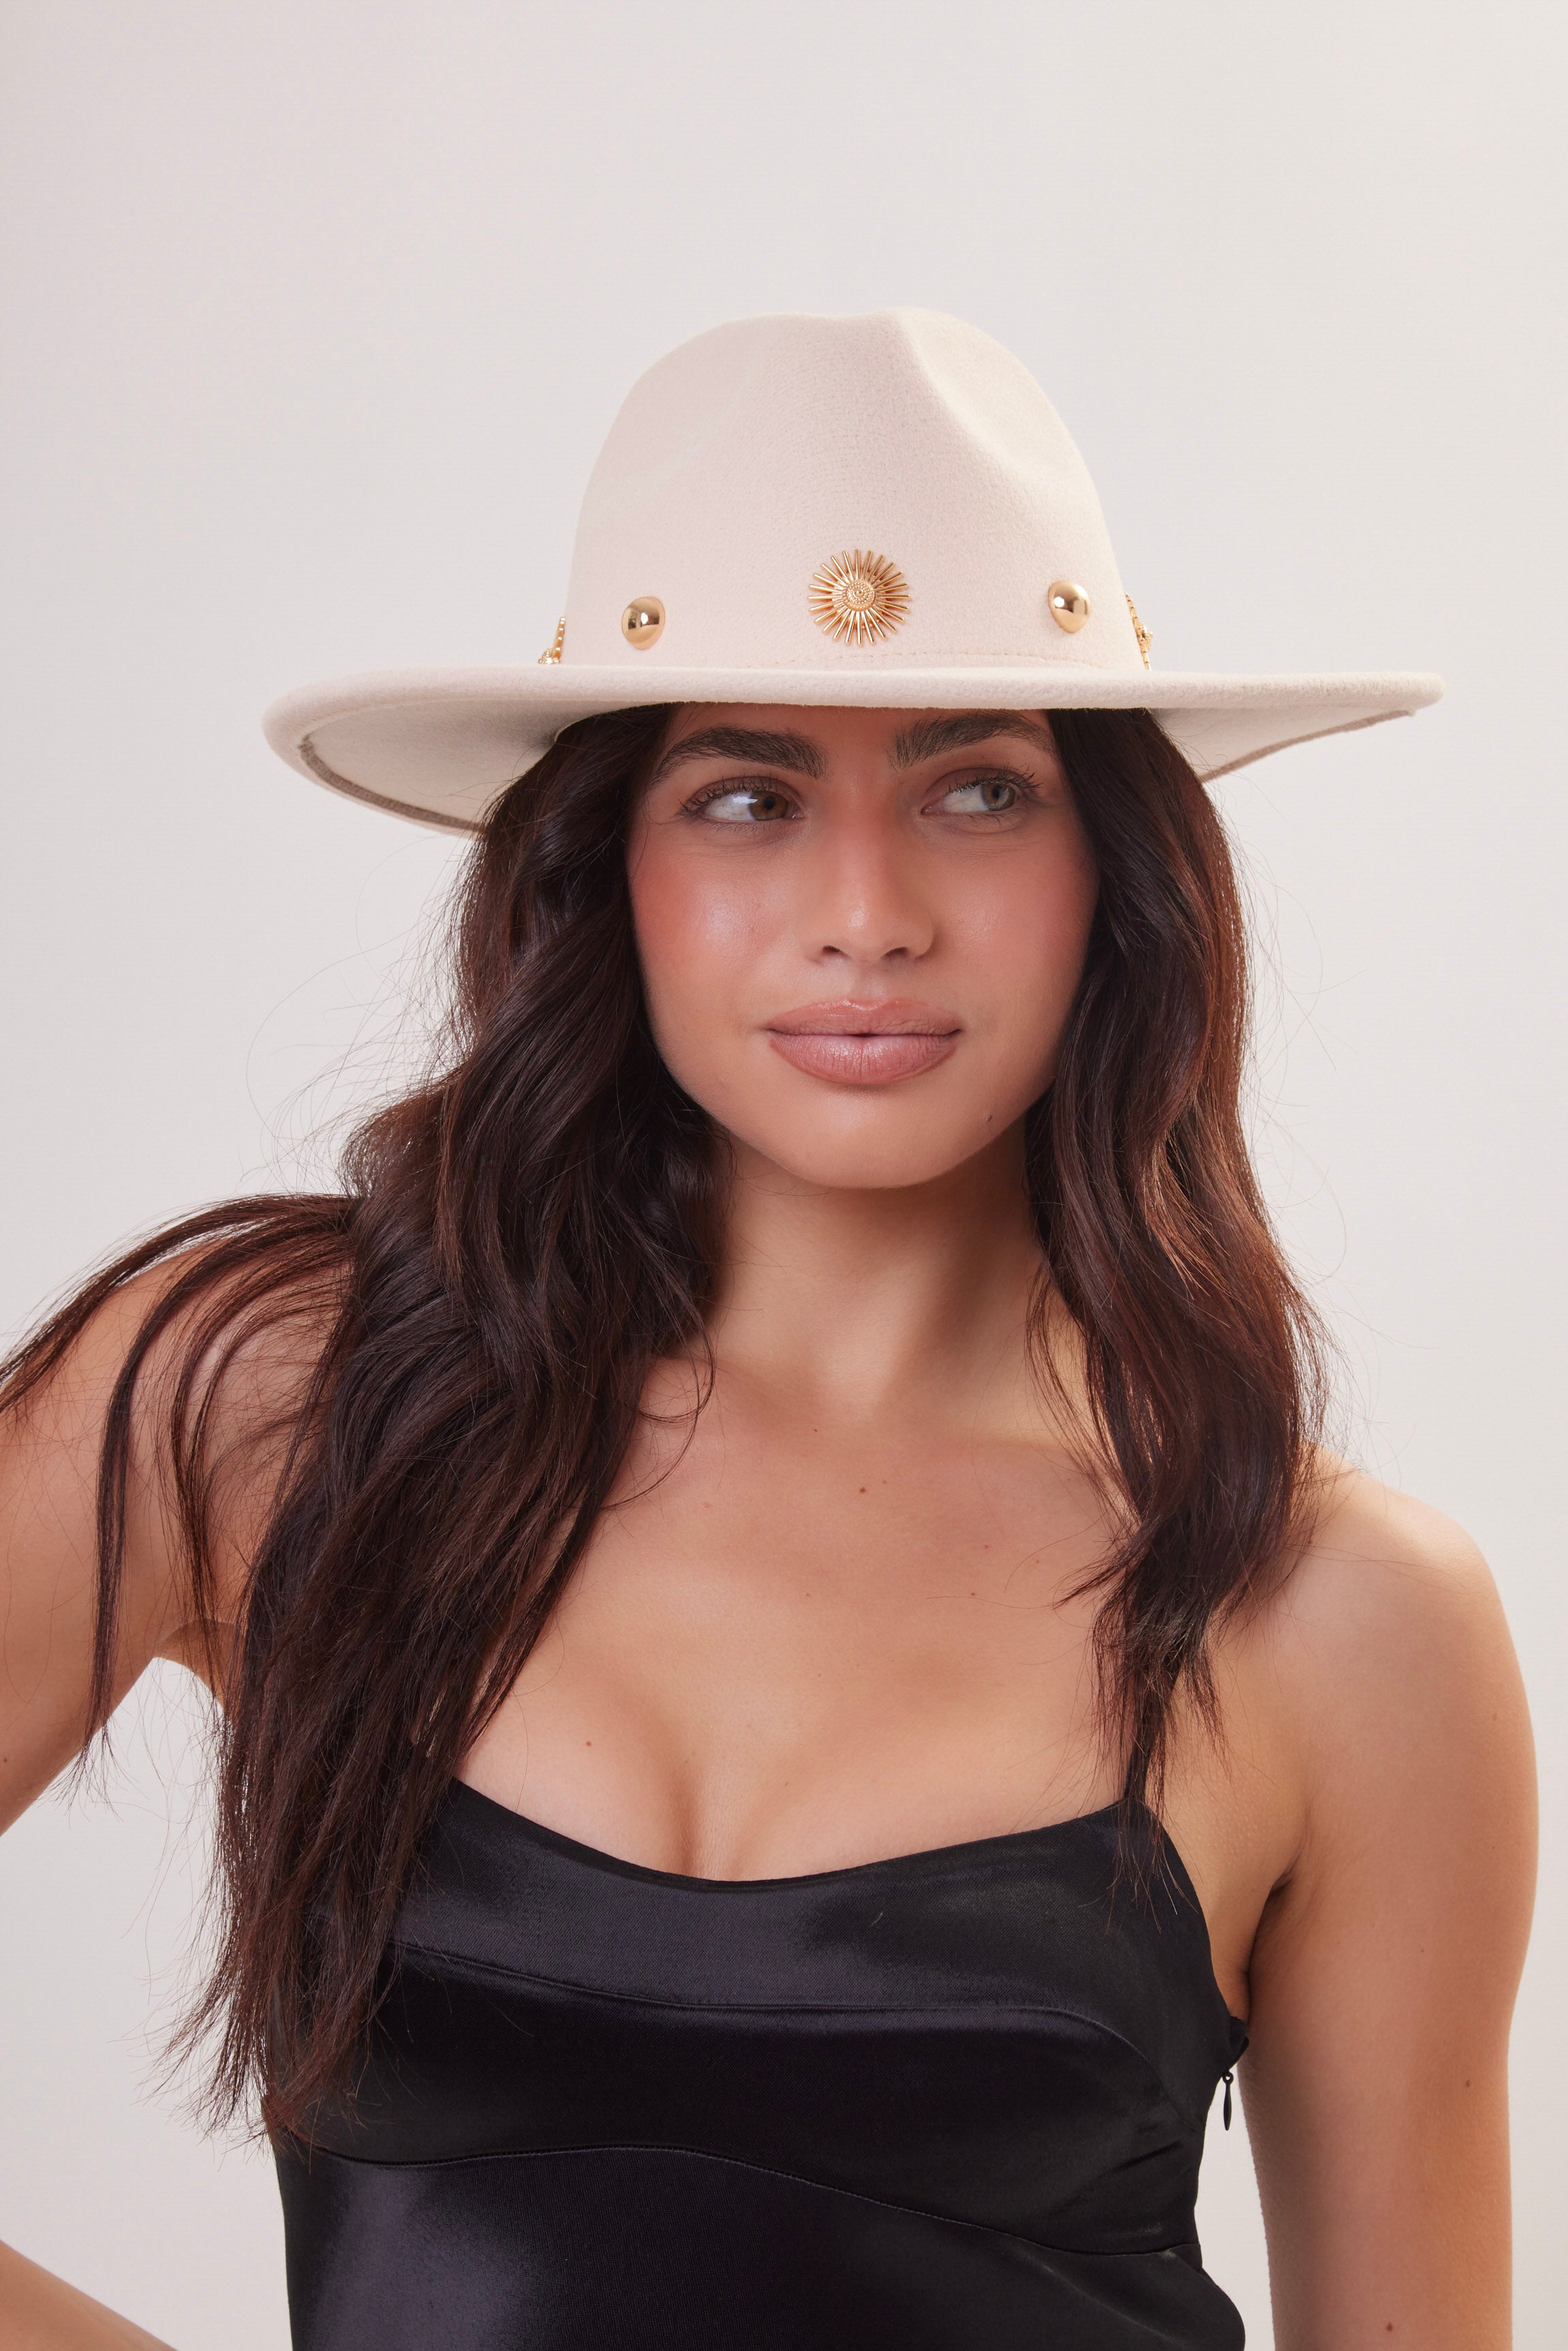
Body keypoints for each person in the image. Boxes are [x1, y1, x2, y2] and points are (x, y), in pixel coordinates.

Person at [0, 311, 1535, 2350]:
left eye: (978, 789)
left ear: (1116, 872)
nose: (869, 910)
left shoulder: (1343, 1620)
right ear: (603, 861)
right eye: (747, 796)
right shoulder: (261, 1402)